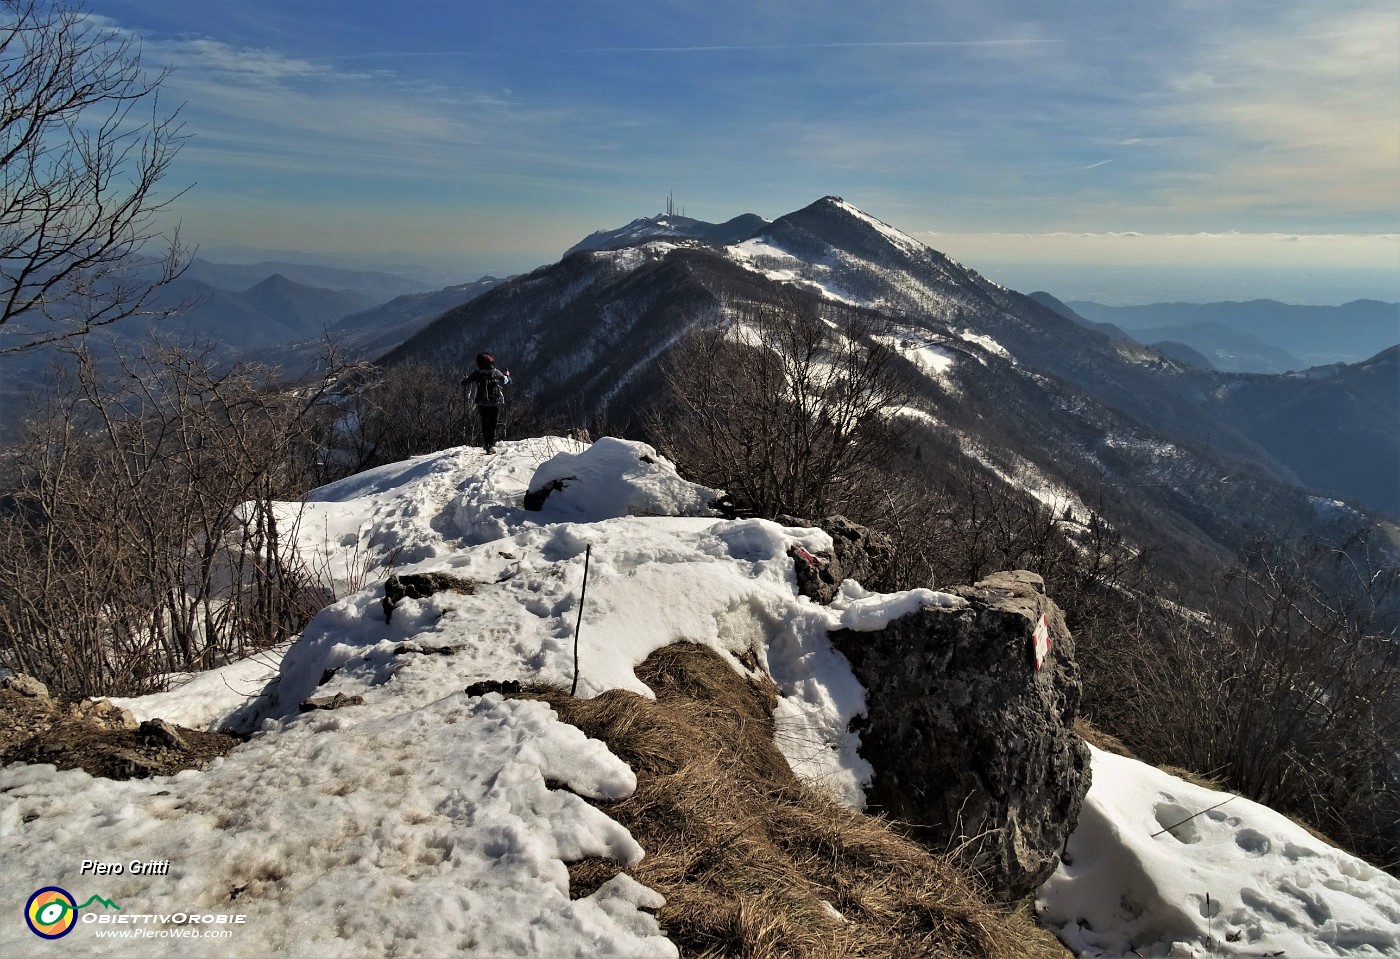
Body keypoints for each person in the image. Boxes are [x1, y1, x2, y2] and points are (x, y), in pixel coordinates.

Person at [461, 352, 511, 453]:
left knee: (484, 422)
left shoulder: (477, 373)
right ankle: (490, 445)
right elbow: (507, 381)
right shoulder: (495, 372)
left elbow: (464, 383)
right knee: (492, 423)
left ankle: (486, 443)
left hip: (481, 402)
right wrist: (507, 375)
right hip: (494, 401)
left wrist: (466, 378)